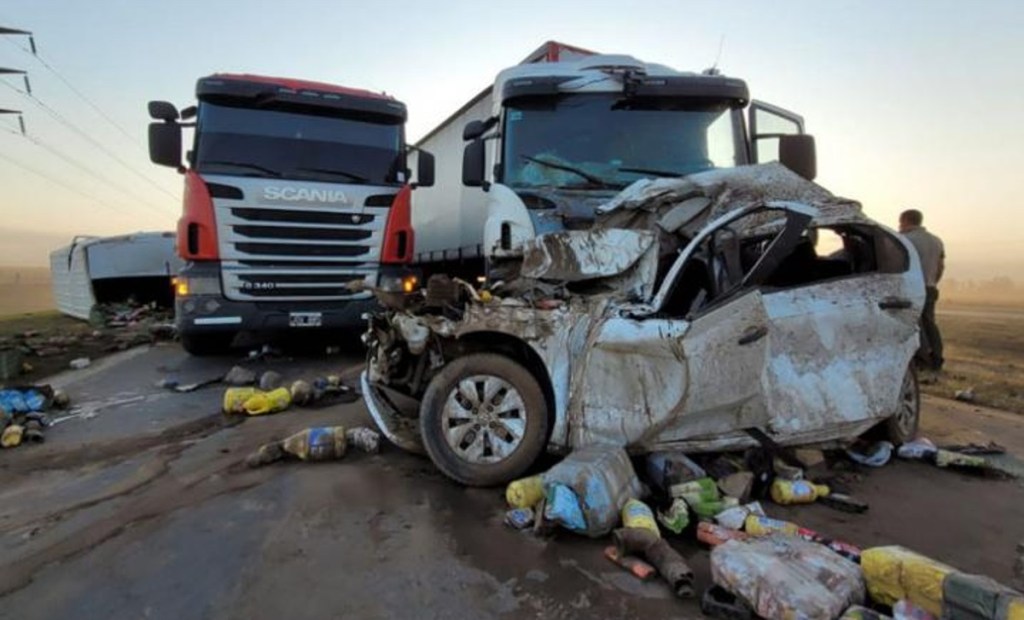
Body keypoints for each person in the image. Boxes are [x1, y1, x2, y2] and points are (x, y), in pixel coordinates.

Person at [899, 209, 946, 371]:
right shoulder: (936, 241)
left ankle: (922, 360)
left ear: (905, 221)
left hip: (912, 288)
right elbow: (940, 266)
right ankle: (937, 358)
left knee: (914, 324)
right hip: (931, 286)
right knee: (930, 323)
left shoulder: (905, 240)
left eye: (901, 222)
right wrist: (932, 282)